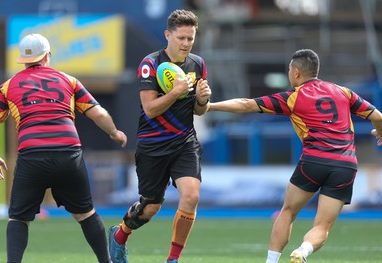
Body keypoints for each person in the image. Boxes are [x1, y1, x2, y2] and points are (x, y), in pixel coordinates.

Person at [208, 49, 382, 263]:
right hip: (345, 165)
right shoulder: (343, 92)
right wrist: (380, 134)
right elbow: (377, 116)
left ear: (297, 72)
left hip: (314, 161)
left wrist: (209, 106)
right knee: (322, 227)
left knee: (288, 212)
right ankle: (303, 251)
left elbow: (246, 104)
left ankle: (271, 262)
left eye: (289, 70)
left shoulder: (293, 97)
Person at [0, 33, 127, 263]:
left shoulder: (8, 86)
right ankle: (106, 261)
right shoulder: (68, 80)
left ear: (23, 60)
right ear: (48, 56)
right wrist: (114, 132)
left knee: (18, 219)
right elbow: (98, 112)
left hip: (32, 157)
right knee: (86, 214)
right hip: (69, 154)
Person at [108, 9, 211, 263]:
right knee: (151, 206)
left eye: (191, 38)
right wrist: (176, 92)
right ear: (168, 35)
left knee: (192, 195)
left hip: (185, 142)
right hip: (153, 144)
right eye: (181, 38)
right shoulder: (150, 64)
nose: (186, 44)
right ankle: (120, 235)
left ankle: (173, 259)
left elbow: (199, 110)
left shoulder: (197, 64)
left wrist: (203, 100)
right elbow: (150, 109)